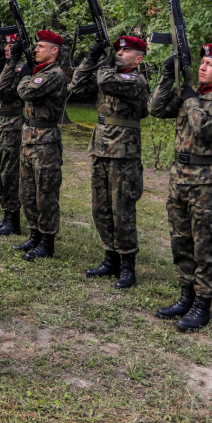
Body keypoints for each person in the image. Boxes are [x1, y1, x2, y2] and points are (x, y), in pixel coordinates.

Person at [150, 44, 212, 332]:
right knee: (180, 240)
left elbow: (204, 129)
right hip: (179, 177)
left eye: (210, 64)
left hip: (206, 181)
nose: (203, 67)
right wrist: (168, 78)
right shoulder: (193, 95)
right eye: (201, 63)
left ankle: (202, 304)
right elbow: (155, 109)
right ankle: (185, 295)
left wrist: (190, 98)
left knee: (204, 243)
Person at [69, 36, 150, 289]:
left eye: (126, 51)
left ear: (138, 58)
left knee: (122, 210)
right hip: (101, 148)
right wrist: (90, 59)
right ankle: (110, 258)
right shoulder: (109, 73)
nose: (119, 53)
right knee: (100, 207)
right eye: (118, 50)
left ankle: (127, 266)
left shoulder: (136, 80)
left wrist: (103, 64)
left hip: (124, 152)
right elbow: (77, 84)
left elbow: (105, 80)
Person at [0, 31, 68, 261]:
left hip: (45, 139)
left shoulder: (54, 73)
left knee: (45, 193)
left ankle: (47, 242)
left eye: (40, 46)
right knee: (27, 192)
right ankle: (34, 234)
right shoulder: (39, 72)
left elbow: (26, 92)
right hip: (28, 136)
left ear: (54, 50)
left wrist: (26, 75)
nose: (35, 50)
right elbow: (6, 89)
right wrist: (17, 66)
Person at [0, 35, 25, 236]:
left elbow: (3, 91)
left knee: (9, 175)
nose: (9, 48)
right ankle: (5, 215)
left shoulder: (21, 68)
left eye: (13, 45)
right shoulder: (3, 66)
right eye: (6, 45)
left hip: (11, 127)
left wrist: (7, 64)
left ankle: (14, 218)